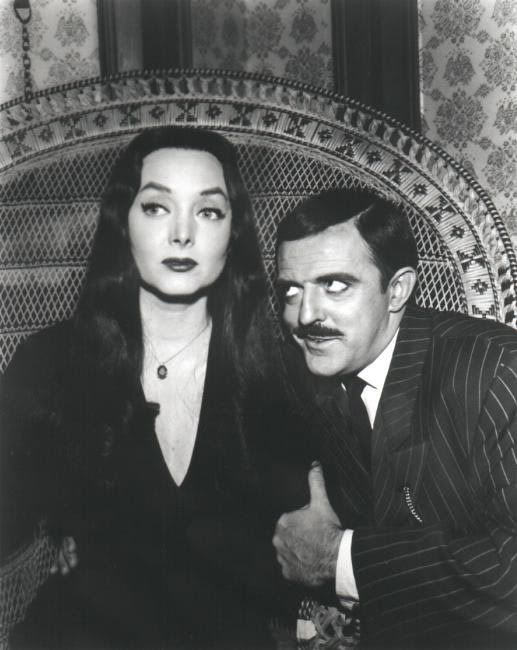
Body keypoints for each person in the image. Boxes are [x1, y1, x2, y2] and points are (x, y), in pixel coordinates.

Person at [0, 126, 309, 649]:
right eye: (157, 207)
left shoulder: (281, 371)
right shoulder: (50, 362)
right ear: (123, 223)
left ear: (233, 232)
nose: (182, 234)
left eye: (208, 211)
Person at [273, 187, 517, 649]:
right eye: (291, 290)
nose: (305, 315)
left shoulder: (497, 370)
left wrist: (341, 560)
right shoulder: (301, 375)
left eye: (335, 285)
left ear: (398, 289)